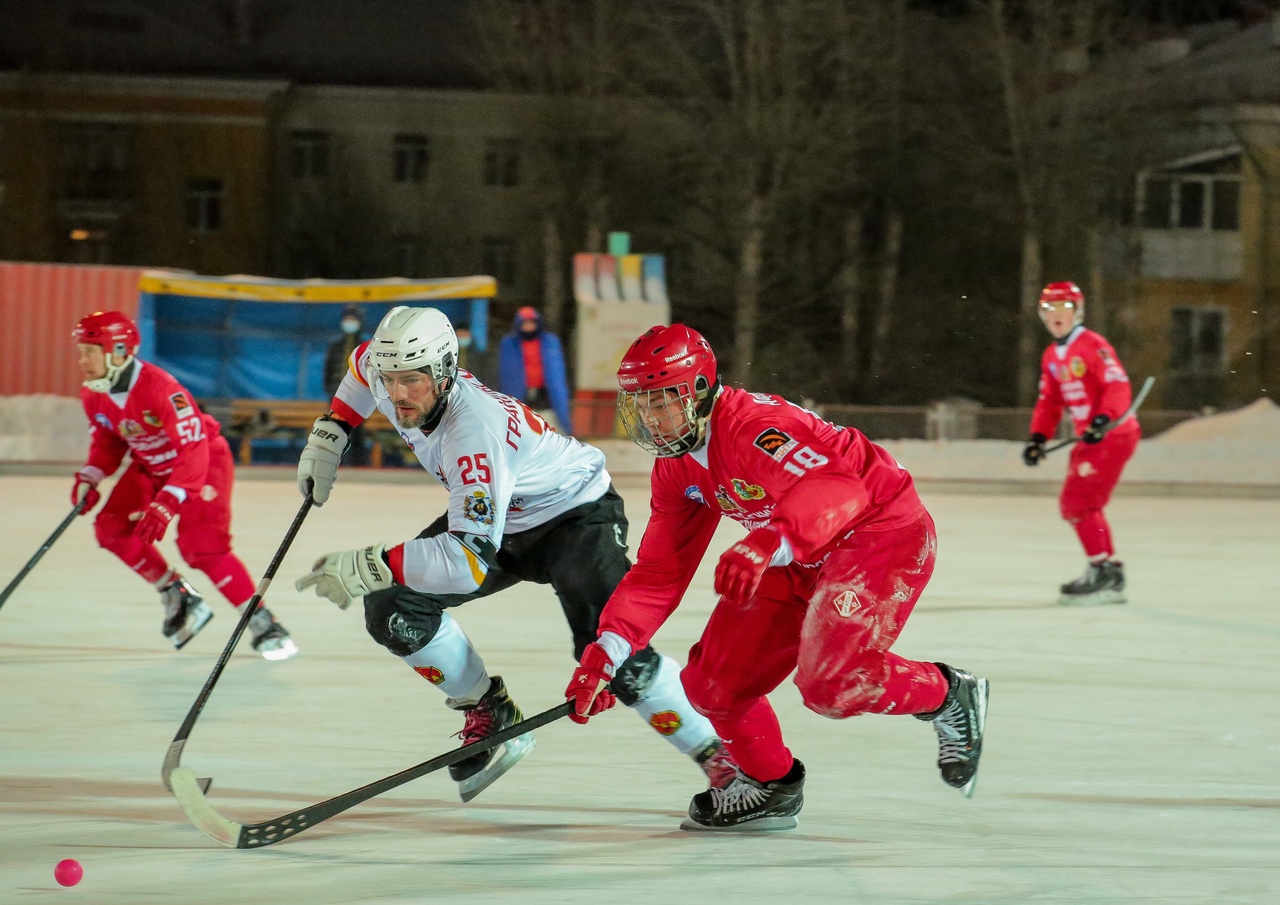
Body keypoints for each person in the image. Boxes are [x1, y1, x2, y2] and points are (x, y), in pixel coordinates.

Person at [292, 305, 735, 802]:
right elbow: (360, 367)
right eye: (391, 380)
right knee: (393, 606)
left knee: (613, 655)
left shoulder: (471, 434)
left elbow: (463, 564)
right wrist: (332, 434)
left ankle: (721, 757)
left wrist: (370, 563)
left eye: (411, 381)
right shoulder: (387, 366)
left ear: (442, 372)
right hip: (504, 517)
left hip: (573, 517)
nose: (396, 396)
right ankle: (490, 710)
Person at [563, 324, 989, 833]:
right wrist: (608, 649)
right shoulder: (677, 468)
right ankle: (771, 787)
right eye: (641, 405)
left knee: (832, 684)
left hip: (877, 536)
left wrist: (770, 539)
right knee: (712, 684)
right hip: (792, 550)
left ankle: (947, 693)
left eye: (662, 402)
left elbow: (839, 489)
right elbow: (660, 571)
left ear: (698, 390)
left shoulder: (755, 428)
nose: (651, 420)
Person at [70, 311, 298, 660]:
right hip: (151, 465)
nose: (82, 359)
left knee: (202, 547)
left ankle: (263, 621)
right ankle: (176, 593)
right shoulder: (93, 395)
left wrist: (169, 500)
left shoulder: (160, 389)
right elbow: (107, 441)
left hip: (202, 462)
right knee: (110, 528)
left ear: (118, 351)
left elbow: (193, 448)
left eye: (90, 350)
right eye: (81, 350)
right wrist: (91, 476)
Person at [1022, 281, 1140, 605]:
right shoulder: (1052, 355)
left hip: (1112, 433)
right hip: (1090, 436)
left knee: (1078, 503)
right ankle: (1104, 568)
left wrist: (1103, 419)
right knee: (1079, 504)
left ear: (1078, 312)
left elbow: (1116, 385)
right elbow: (1049, 401)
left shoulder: (1092, 344)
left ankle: (1105, 572)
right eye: (1050, 309)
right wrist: (1037, 438)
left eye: (1065, 308)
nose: (1057, 315)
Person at [497, 306, 573, 435]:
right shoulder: (510, 344)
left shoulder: (549, 342)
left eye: (531, 323)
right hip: (521, 394)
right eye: (525, 324)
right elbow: (506, 373)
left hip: (546, 395)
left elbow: (557, 370)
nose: (528, 327)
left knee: (551, 427)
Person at [324, 305, 369, 465]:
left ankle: (359, 464)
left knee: (357, 432)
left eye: (353, 319)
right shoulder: (336, 347)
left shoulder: (365, 347)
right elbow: (328, 371)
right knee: (337, 431)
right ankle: (336, 463)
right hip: (338, 396)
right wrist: (331, 391)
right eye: (347, 319)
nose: (349, 322)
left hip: (360, 397)